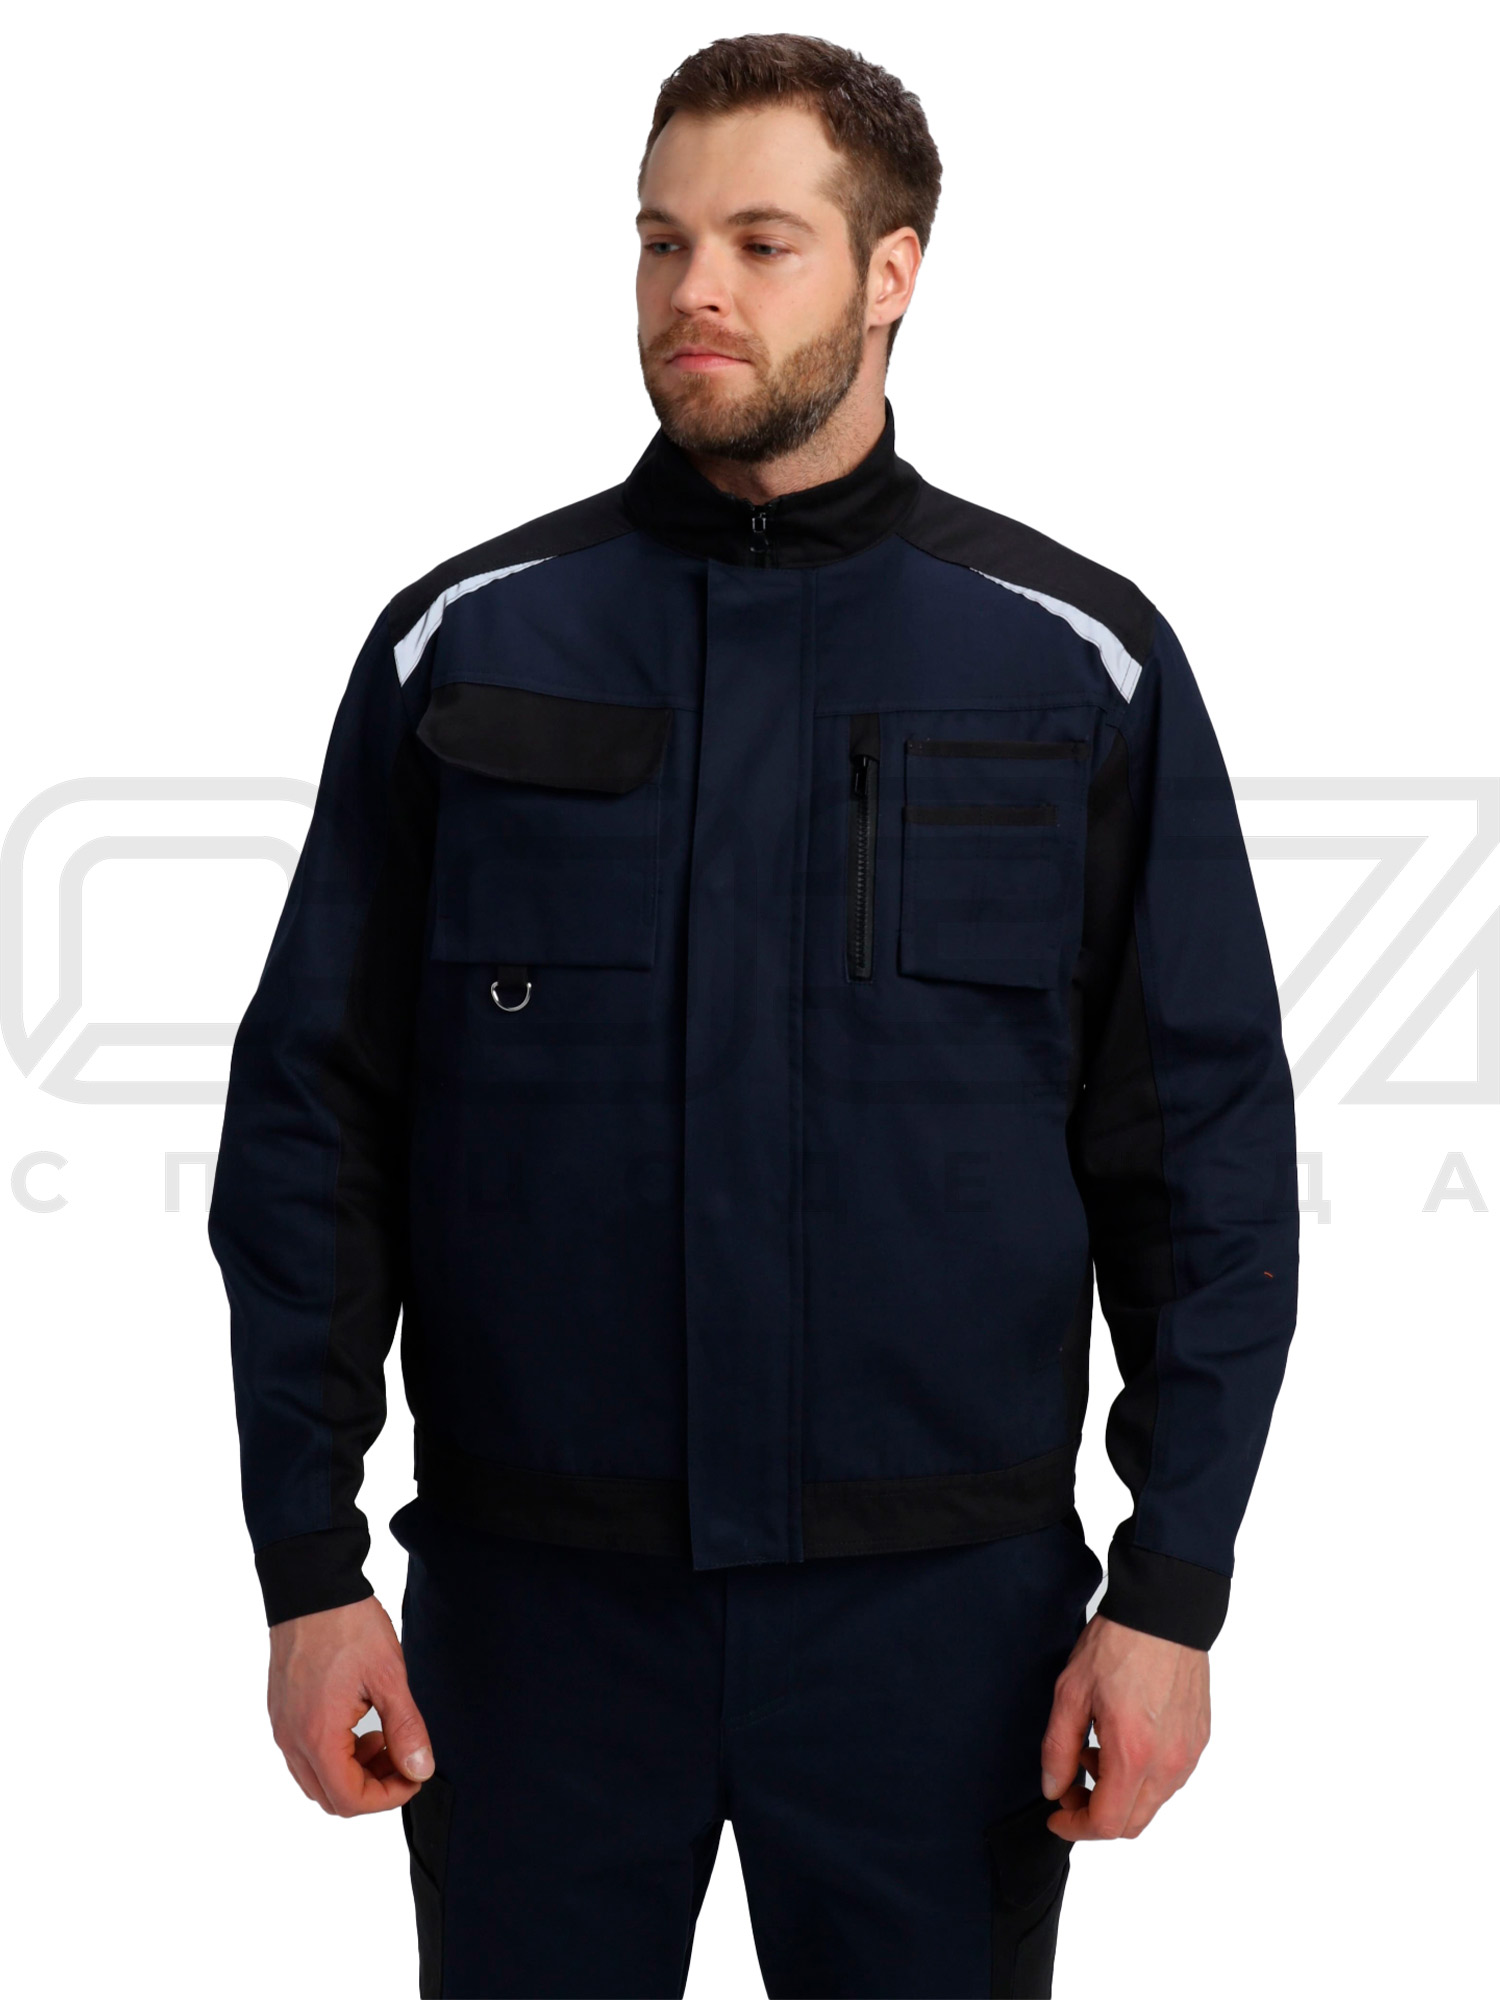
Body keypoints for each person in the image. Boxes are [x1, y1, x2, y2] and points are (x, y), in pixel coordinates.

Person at [208, 32, 1298, 1999]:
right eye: (661, 240)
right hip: (532, 1623)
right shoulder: (471, 643)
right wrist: (308, 1566)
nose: (693, 289)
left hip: (944, 1629)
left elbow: (1204, 1167)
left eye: (760, 243)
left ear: (892, 273)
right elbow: (312, 1125)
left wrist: (1173, 1593)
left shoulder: (1076, 660)